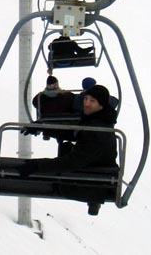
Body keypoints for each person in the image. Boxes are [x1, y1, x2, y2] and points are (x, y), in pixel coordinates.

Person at [20, 84, 118, 215]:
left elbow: (73, 161)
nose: (87, 104)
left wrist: (37, 166)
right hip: (95, 177)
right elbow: (73, 133)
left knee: (63, 153)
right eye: (86, 99)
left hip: (87, 184)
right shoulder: (97, 121)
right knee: (66, 147)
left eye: (92, 101)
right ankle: (93, 202)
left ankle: (93, 199)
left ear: (101, 105)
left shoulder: (97, 130)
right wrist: (43, 128)